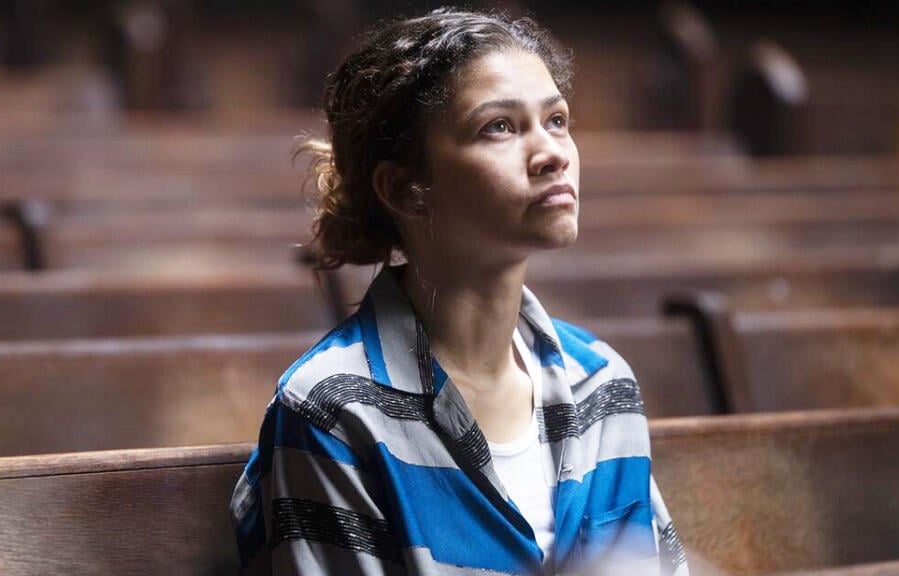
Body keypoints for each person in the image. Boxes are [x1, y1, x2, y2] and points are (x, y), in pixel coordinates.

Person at [230, 8, 689, 576]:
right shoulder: (334, 410)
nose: (553, 153)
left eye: (557, 120)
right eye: (499, 127)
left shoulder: (601, 383)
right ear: (405, 188)